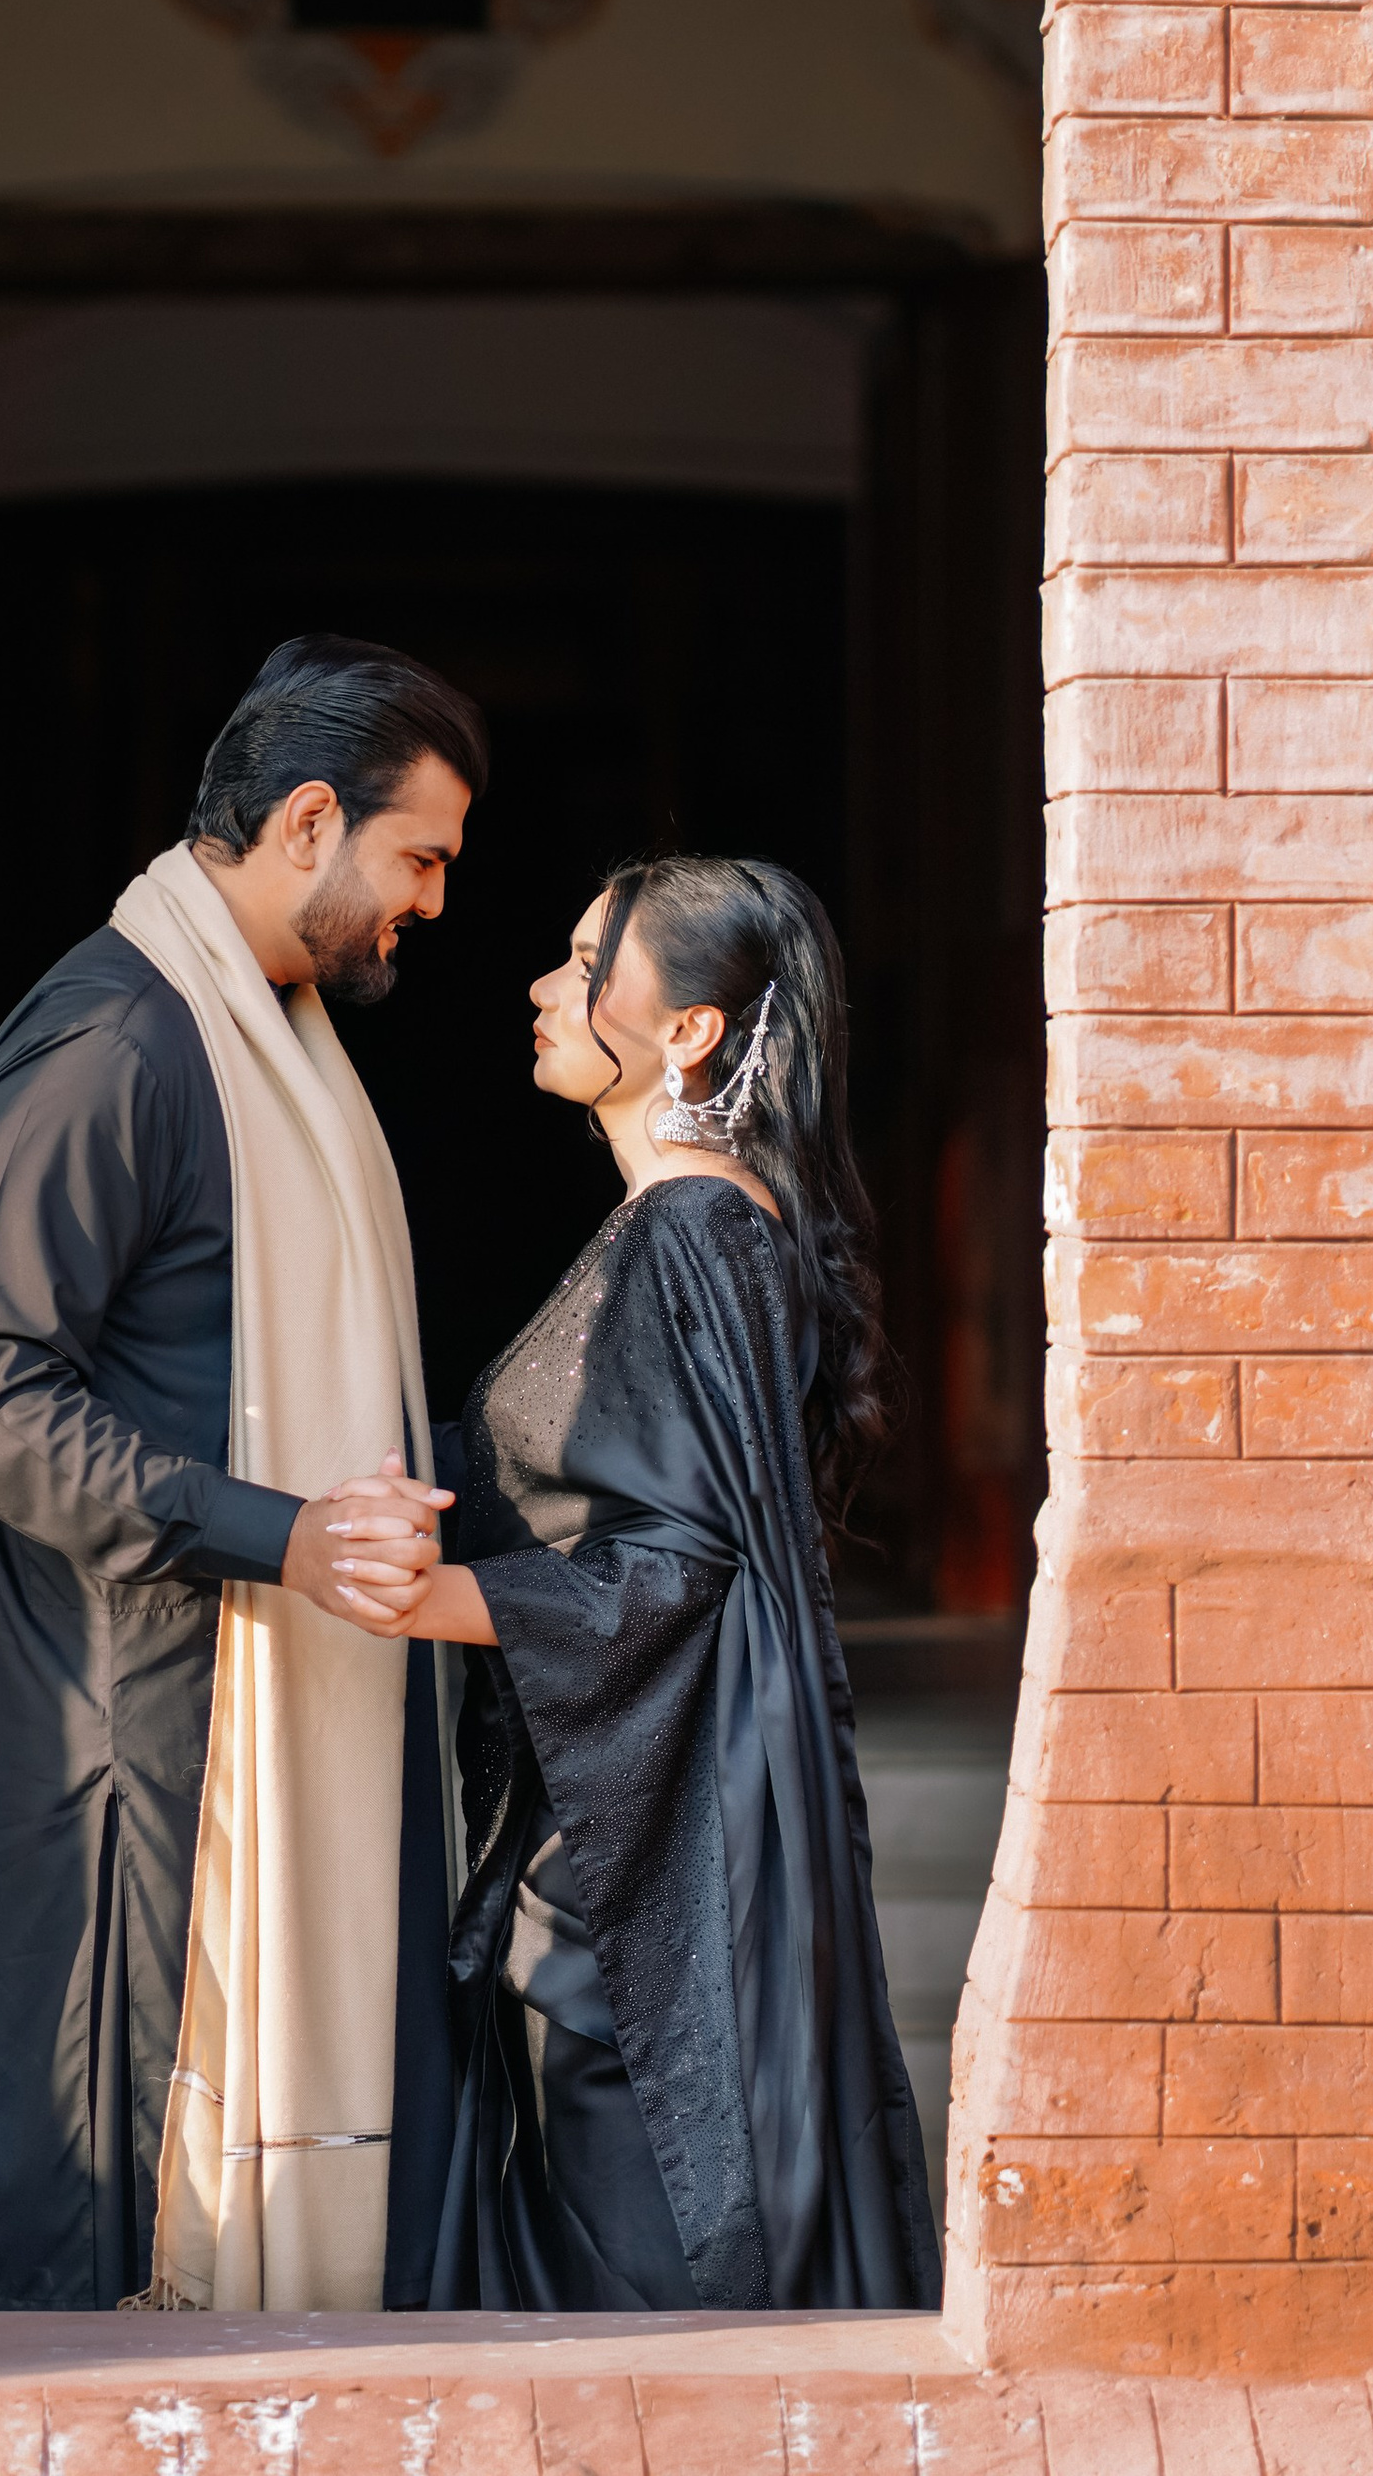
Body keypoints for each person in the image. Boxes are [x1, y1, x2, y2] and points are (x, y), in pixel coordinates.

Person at [0, 634, 483, 2317]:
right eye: (417, 854)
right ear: (309, 822)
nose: (431, 899)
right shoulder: (120, 1042)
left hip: (240, 1699)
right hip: (140, 1748)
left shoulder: (269, 1035)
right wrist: (280, 1537)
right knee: (125, 2282)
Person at [340, 852, 941, 2314]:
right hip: (633, 1826)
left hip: (650, 1862)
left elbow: (671, 1571)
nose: (547, 987)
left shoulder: (695, 1230)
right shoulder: (697, 1224)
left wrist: (434, 1598)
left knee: (656, 2314)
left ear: (690, 1031)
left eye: (585, 959)